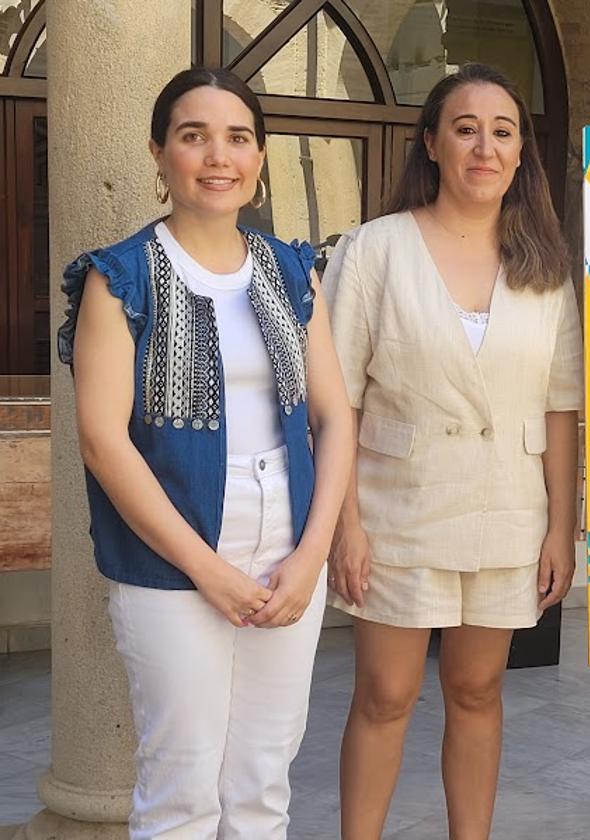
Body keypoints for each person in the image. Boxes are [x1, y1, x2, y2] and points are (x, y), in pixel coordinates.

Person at [57, 68, 354, 839]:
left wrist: (311, 556)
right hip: (172, 561)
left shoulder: (293, 272)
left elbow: (335, 416)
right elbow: (102, 439)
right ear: (159, 153)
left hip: (287, 552)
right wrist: (209, 570)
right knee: (182, 787)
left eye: (237, 137)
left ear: (260, 155)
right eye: (193, 136)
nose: (217, 156)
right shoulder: (119, 278)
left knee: (263, 780)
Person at [323, 63, 583, 840]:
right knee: (385, 694)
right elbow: (338, 401)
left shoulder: (544, 266)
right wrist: (346, 525)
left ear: (520, 153)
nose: (484, 146)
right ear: (432, 143)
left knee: (477, 691)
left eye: (502, 132)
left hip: (509, 510)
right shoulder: (375, 251)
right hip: (398, 509)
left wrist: (559, 528)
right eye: (465, 128)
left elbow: (561, 406)